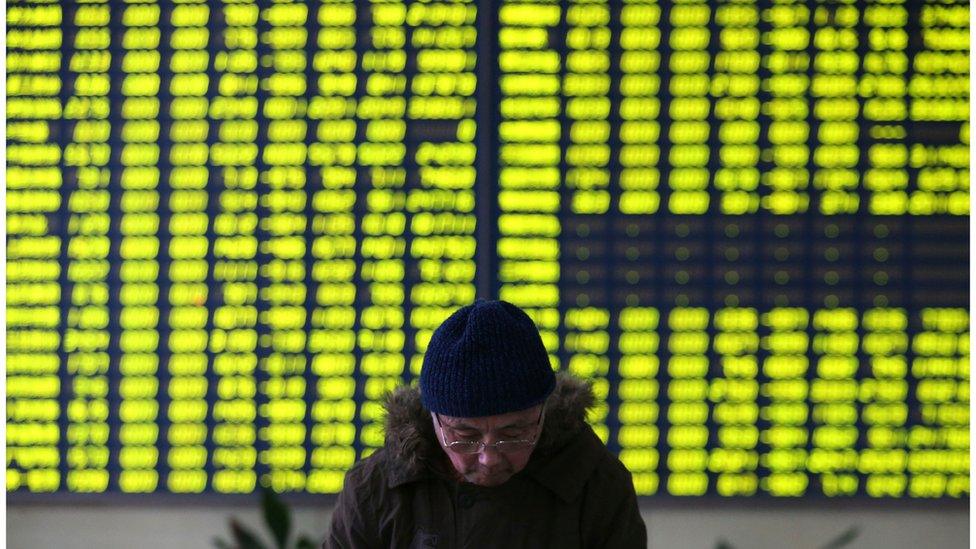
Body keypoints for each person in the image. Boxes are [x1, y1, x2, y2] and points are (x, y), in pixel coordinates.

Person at [324, 299, 647, 548]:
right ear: (433, 419)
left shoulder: (597, 485)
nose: (489, 457)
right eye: (465, 436)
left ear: (543, 413)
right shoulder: (374, 491)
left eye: (514, 433)